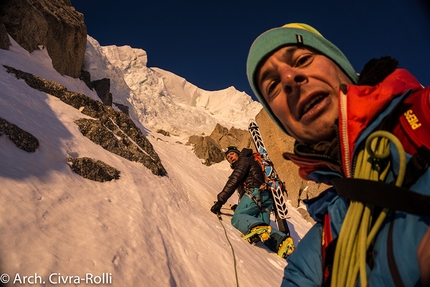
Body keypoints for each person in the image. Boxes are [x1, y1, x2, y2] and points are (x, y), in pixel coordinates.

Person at [246, 23, 430, 286]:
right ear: (283, 123)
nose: (288, 79)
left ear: (340, 64)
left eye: (303, 59)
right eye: (273, 86)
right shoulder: (314, 255)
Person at [210, 145, 294, 258]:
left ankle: (257, 227)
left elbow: (234, 180)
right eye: (228, 157)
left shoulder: (243, 160)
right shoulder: (250, 161)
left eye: (232, 154)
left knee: (238, 217)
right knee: (265, 234)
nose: (230, 157)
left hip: (254, 193)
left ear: (238, 153)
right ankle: (282, 243)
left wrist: (220, 201)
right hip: (266, 199)